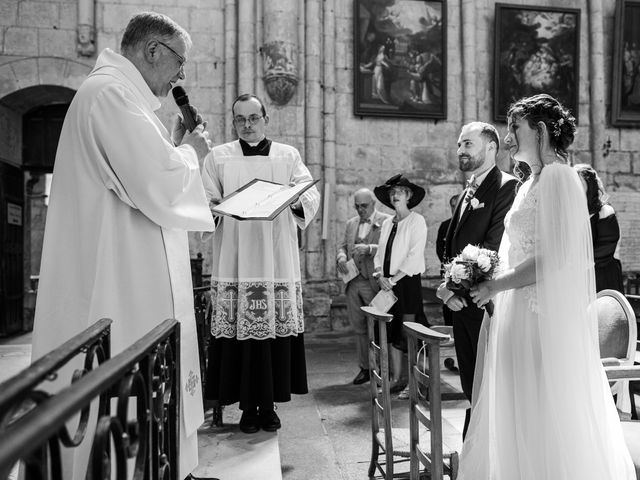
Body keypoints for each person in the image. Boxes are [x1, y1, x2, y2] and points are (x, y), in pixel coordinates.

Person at [30, 12, 215, 480]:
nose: (181, 76)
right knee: (125, 390)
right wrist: (192, 150)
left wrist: (174, 144)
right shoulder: (110, 94)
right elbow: (158, 183)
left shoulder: (119, 96)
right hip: (118, 281)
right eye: (180, 62)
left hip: (134, 272)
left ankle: (170, 467)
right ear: (152, 50)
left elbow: (145, 171)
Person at [461, 94, 635, 479]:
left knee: (542, 409)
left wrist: (497, 284)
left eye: (515, 128)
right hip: (518, 310)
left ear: (539, 131)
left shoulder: (559, 178)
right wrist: (485, 273)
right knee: (520, 409)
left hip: (542, 316)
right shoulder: (531, 182)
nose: (508, 137)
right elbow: (519, 248)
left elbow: (555, 257)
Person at [202, 93, 320, 434]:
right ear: (234, 122)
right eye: (241, 119)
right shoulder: (219, 157)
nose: (248, 125)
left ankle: (267, 408)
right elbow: (204, 200)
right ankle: (246, 410)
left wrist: (294, 199)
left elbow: (308, 193)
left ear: (265, 118)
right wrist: (219, 206)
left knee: (270, 339)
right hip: (235, 260)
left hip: (275, 259)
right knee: (240, 338)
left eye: (254, 117)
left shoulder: (287, 155)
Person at [437, 122, 517, 437]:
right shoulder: (469, 187)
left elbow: (492, 248)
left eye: (468, 144)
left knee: (488, 385)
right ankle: (478, 448)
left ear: (491, 147)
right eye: (459, 144)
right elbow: (451, 244)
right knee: (471, 382)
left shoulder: (505, 187)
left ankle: (490, 445)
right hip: (460, 305)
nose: (461, 151)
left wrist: (451, 287)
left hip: (483, 304)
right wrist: (447, 288)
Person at [373, 174, 427, 398]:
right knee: (389, 332)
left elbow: (414, 256)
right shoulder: (387, 223)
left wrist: (392, 280)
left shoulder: (417, 221)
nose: (395, 195)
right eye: (392, 192)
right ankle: (395, 379)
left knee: (408, 333)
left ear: (409, 196)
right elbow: (379, 253)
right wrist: (379, 275)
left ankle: (415, 384)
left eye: (400, 192)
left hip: (406, 284)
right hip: (386, 285)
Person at [337, 188, 391, 385]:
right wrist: (341, 256)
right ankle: (365, 367)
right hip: (353, 281)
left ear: (373, 204)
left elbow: (391, 248)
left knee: (379, 325)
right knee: (358, 326)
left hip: (373, 281)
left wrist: (369, 248)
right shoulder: (351, 223)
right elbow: (343, 245)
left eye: (364, 206)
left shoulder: (387, 220)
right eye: (357, 206)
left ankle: (384, 368)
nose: (360, 210)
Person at [574, 163, 624, 292]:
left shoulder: (605, 211)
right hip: (578, 279)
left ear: (589, 187)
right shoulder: (572, 216)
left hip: (602, 278)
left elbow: (606, 249)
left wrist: (576, 265)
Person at [435, 193, 460, 327]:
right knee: (448, 307)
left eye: (457, 206)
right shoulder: (445, 225)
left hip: (463, 271)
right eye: (452, 206)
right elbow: (440, 248)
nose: (454, 209)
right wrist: (448, 266)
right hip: (447, 271)